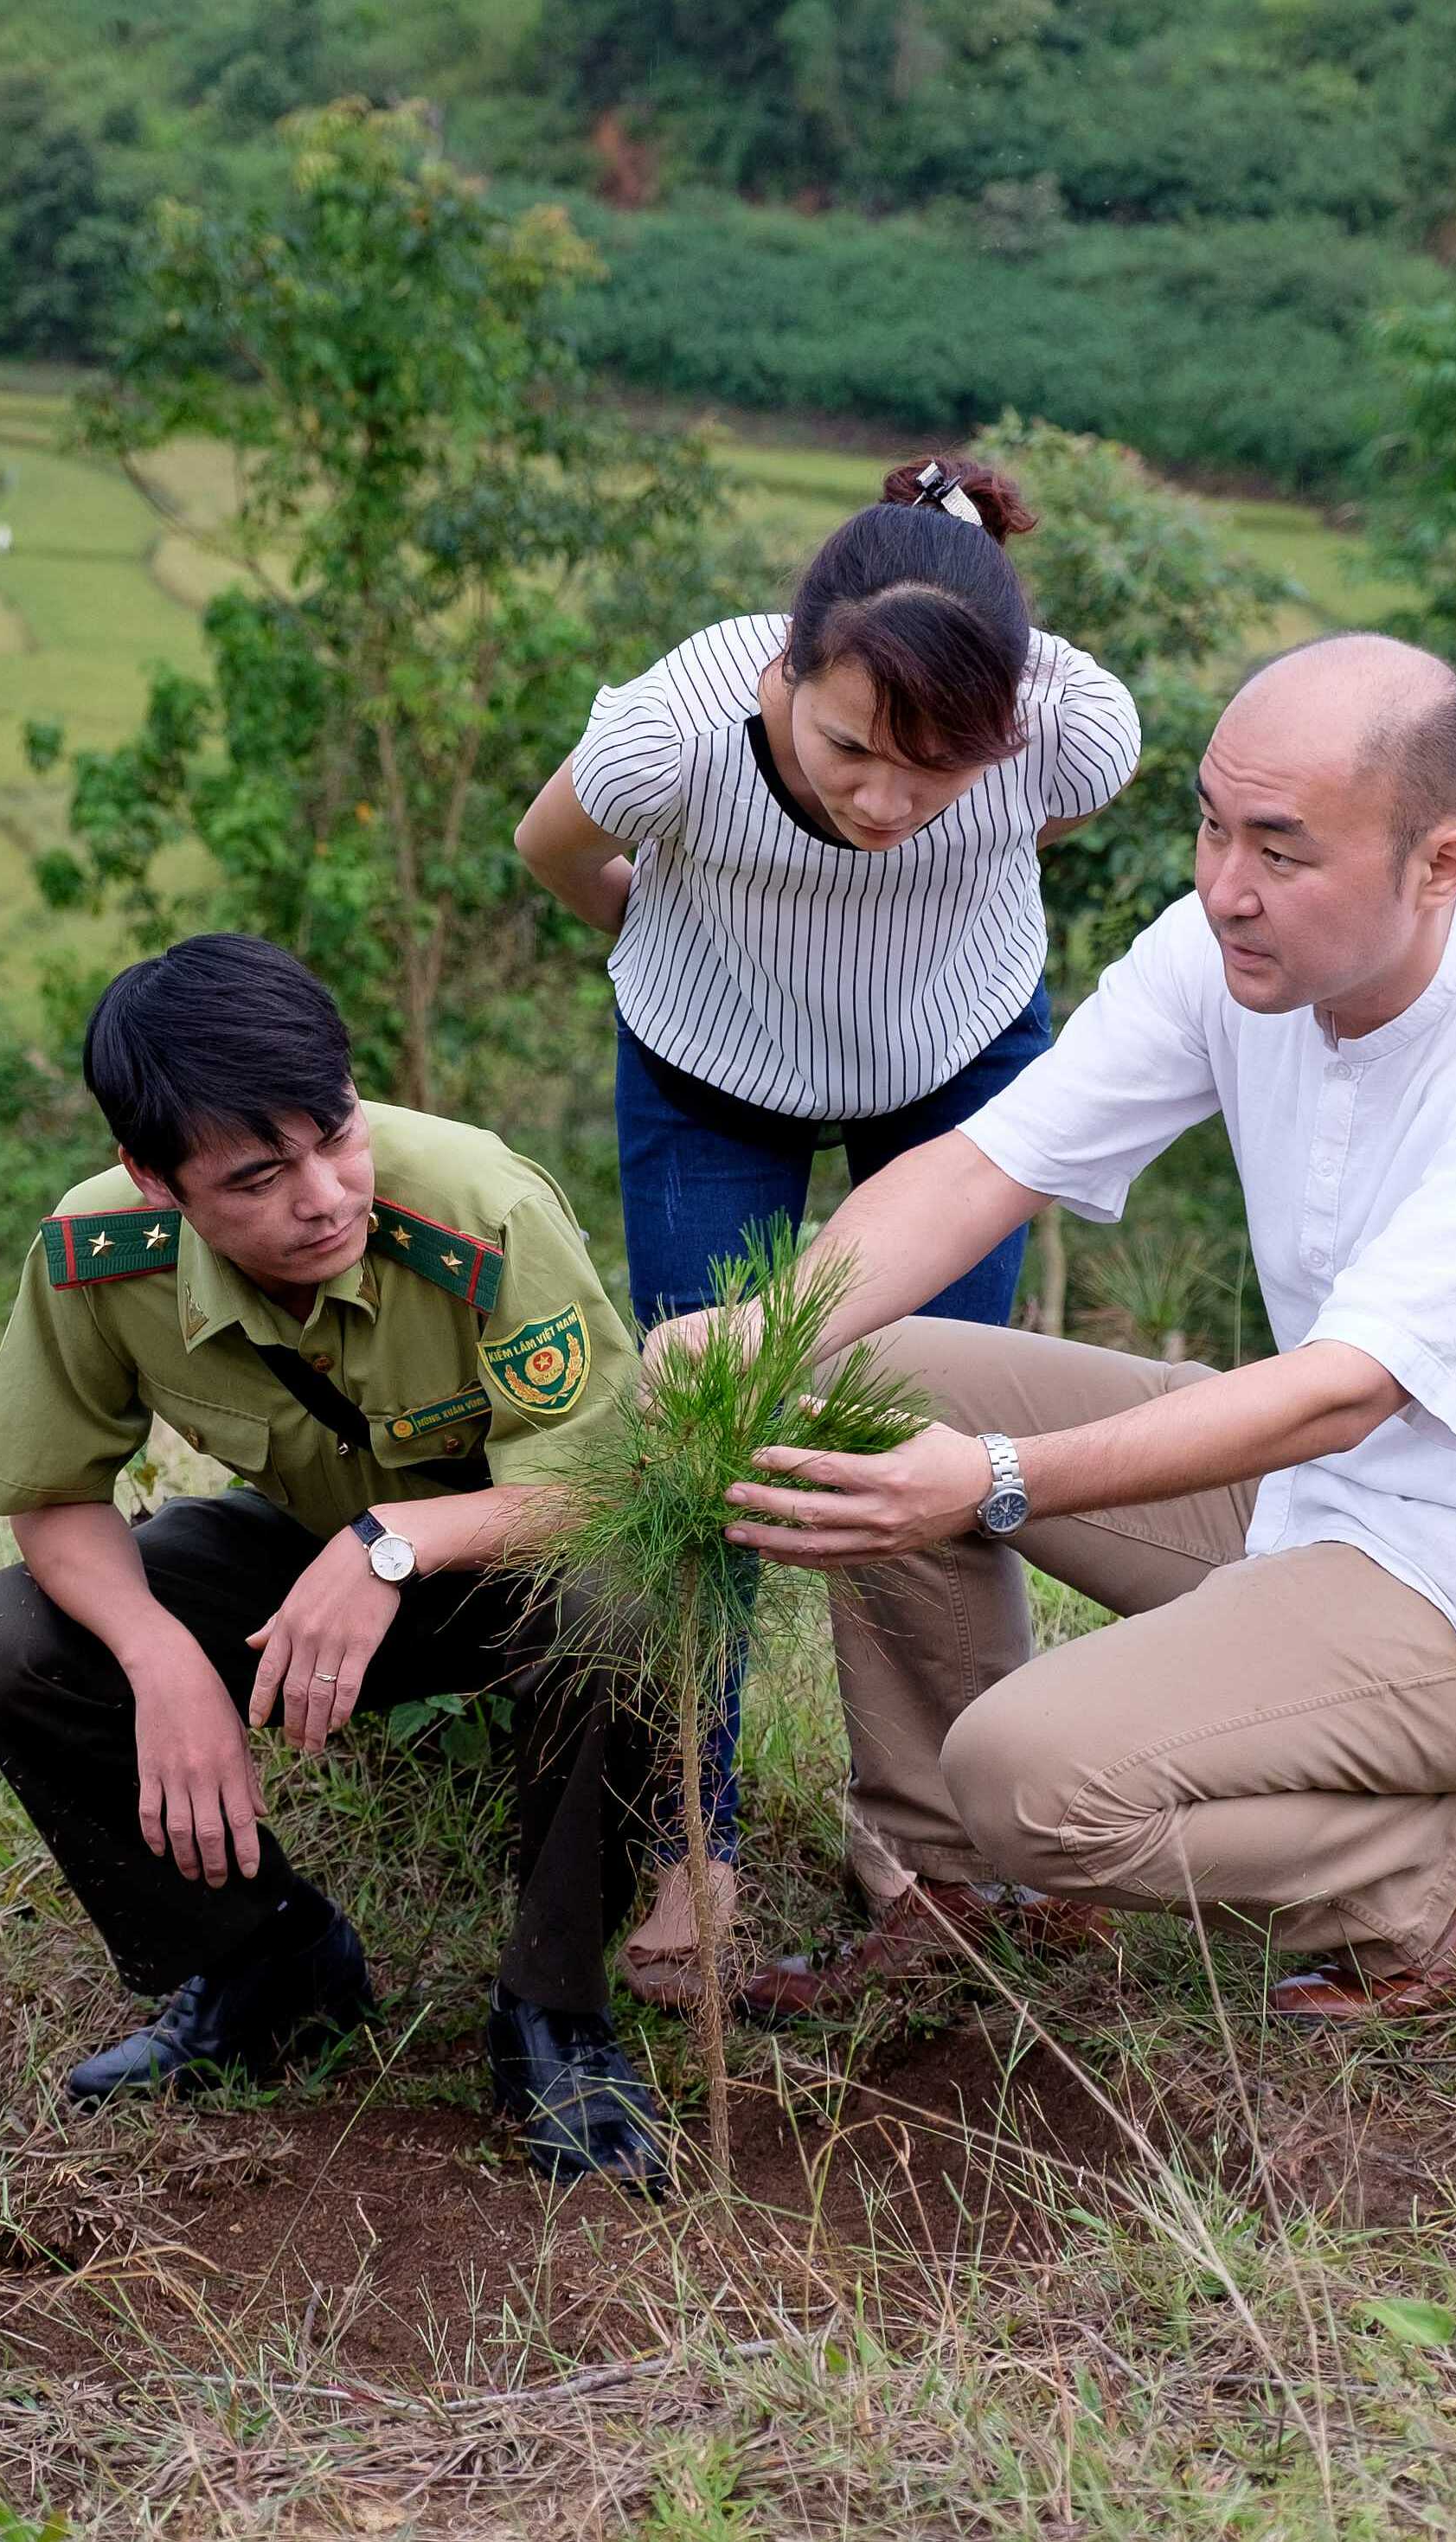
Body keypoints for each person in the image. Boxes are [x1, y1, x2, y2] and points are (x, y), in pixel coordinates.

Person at [678, 633, 1456, 2020]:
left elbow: (1345, 1390)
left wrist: (993, 1476)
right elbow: (985, 1169)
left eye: (1281, 851)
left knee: (1026, 1775)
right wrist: (763, 1334)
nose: (1227, 886)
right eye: (1212, 828)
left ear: (1440, 866)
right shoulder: (1224, 950)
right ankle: (955, 1898)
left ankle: (1439, 1864)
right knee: (861, 1376)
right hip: (1307, 1495)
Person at [511, 452, 1145, 1999]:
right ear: (786, 670)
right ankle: (694, 1836)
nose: (884, 798)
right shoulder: (672, 731)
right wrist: (665, 928)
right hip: (709, 1061)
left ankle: (934, 1839)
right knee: (707, 1427)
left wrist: (928, 893)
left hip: (958, 1060)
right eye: (850, 746)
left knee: (923, 1428)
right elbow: (553, 848)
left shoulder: (1072, 725)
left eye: (937, 771)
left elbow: (1039, 818)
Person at [0, 934, 671, 2188]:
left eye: (337, 1135)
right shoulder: (96, 1251)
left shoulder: (476, 1206)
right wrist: (160, 1656)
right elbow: (53, 1495)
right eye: (259, 1177)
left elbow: (599, 1491)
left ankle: (555, 2010)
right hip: (303, 1552)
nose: (325, 1195)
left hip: (505, 1556)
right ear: (154, 1179)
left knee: (619, 1596)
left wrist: (390, 1546)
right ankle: (269, 1962)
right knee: (4, 1645)